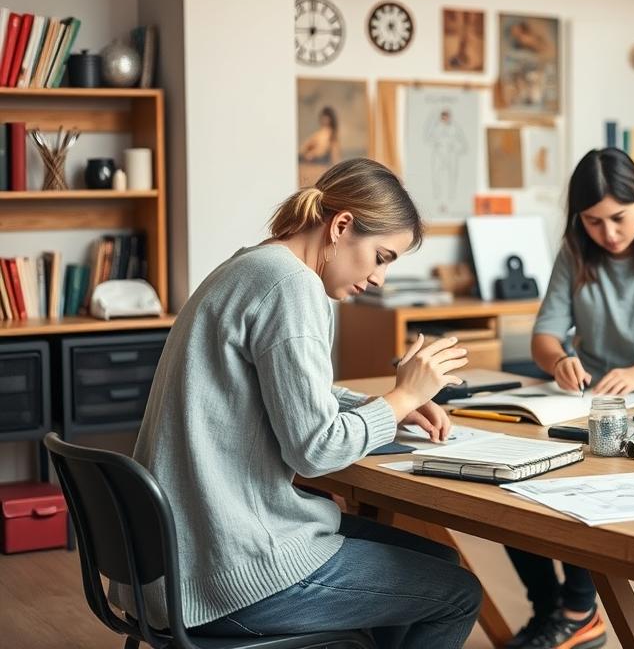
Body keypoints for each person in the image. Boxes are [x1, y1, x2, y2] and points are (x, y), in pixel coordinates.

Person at [123, 158, 483, 648]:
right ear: (340, 226)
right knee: (457, 593)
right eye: (381, 256)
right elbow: (315, 451)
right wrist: (402, 397)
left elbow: (283, 389)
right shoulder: (292, 287)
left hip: (176, 563)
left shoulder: (252, 264)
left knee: (437, 562)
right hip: (228, 577)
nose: (379, 277)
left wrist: (387, 404)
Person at [506, 147, 634, 649]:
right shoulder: (577, 251)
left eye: (619, 218)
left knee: (587, 475)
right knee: (510, 482)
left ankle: (578, 610)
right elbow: (544, 336)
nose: (609, 233)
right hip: (585, 402)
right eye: (594, 221)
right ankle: (550, 608)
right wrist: (558, 361)